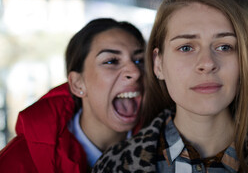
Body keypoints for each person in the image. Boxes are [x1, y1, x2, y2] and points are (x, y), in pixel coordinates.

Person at [92, 0, 248, 173]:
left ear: (243, 62)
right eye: (186, 47)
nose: (207, 62)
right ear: (158, 64)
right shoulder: (113, 166)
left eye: (224, 46)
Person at [0, 18, 145, 172]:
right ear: (77, 84)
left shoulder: (166, 145)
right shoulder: (16, 161)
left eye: (139, 61)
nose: (135, 72)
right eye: (111, 61)